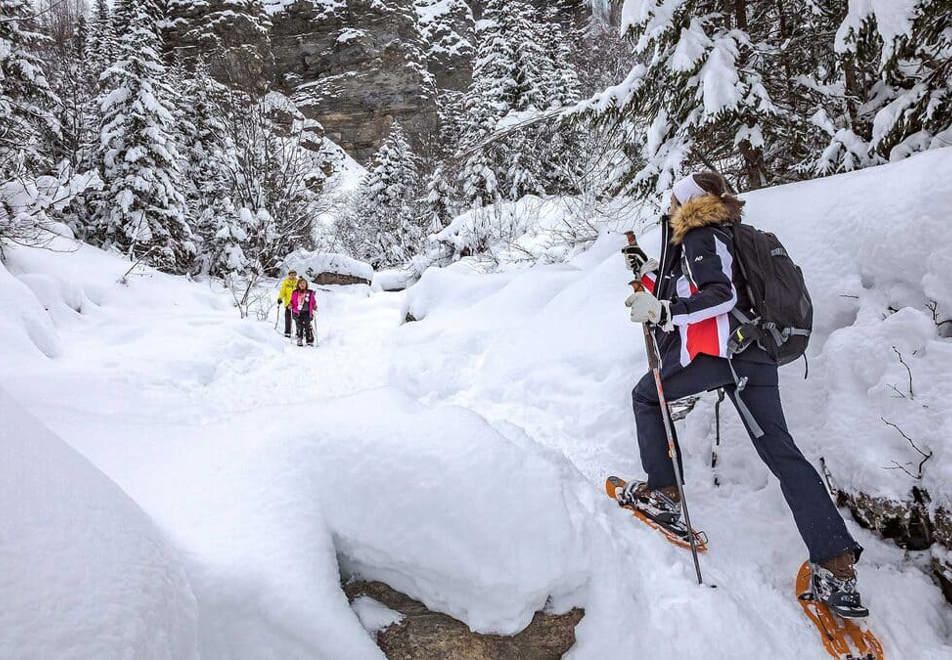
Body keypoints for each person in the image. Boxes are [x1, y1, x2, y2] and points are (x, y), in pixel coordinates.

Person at [620, 171, 868, 619]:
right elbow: (696, 289)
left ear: (688, 202)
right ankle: (837, 567)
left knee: (647, 397)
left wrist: (663, 310)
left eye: (675, 197)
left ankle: (664, 495)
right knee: (782, 452)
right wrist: (652, 280)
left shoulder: (698, 234)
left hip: (723, 355)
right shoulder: (725, 232)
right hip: (754, 355)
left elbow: (718, 295)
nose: (670, 204)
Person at [290, 277, 316, 347]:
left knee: (307, 325)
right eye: (300, 283)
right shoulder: (295, 292)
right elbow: (292, 301)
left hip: (307, 312)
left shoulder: (310, 292)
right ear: (298, 284)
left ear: (306, 284)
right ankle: (299, 338)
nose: (302, 285)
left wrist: (314, 306)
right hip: (297, 312)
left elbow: (313, 302)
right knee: (299, 326)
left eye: (304, 283)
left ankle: (309, 340)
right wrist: (290, 305)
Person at [278, 270, 298, 338]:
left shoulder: (298, 282)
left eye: (294, 275)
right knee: (288, 319)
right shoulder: (286, 282)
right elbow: (282, 291)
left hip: (296, 304)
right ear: (289, 275)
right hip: (288, 304)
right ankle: (287, 332)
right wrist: (280, 298)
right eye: (291, 275)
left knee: (297, 319)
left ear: (295, 275)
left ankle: (298, 332)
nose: (292, 276)